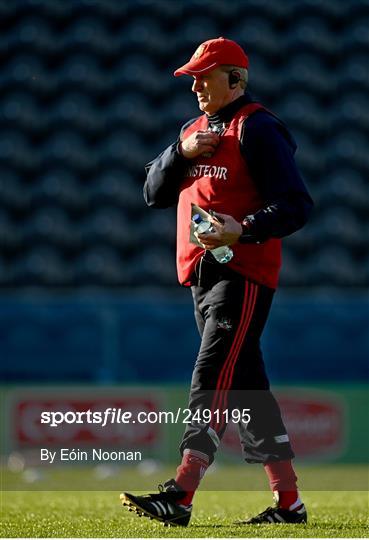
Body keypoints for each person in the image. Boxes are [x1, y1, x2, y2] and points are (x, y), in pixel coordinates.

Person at [120, 37, 313, 527]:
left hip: (241, 272)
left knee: (212, 373)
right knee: (248, 387)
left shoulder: (260, 128)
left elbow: (296, 205)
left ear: (236, 79)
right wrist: (178, 152)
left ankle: (180, 494)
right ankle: (288, 503)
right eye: (193, 79)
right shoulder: (194, 130)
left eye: (205, 77)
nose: (197, 87)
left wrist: (244, 229)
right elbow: (152, 193)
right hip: (200, 275)